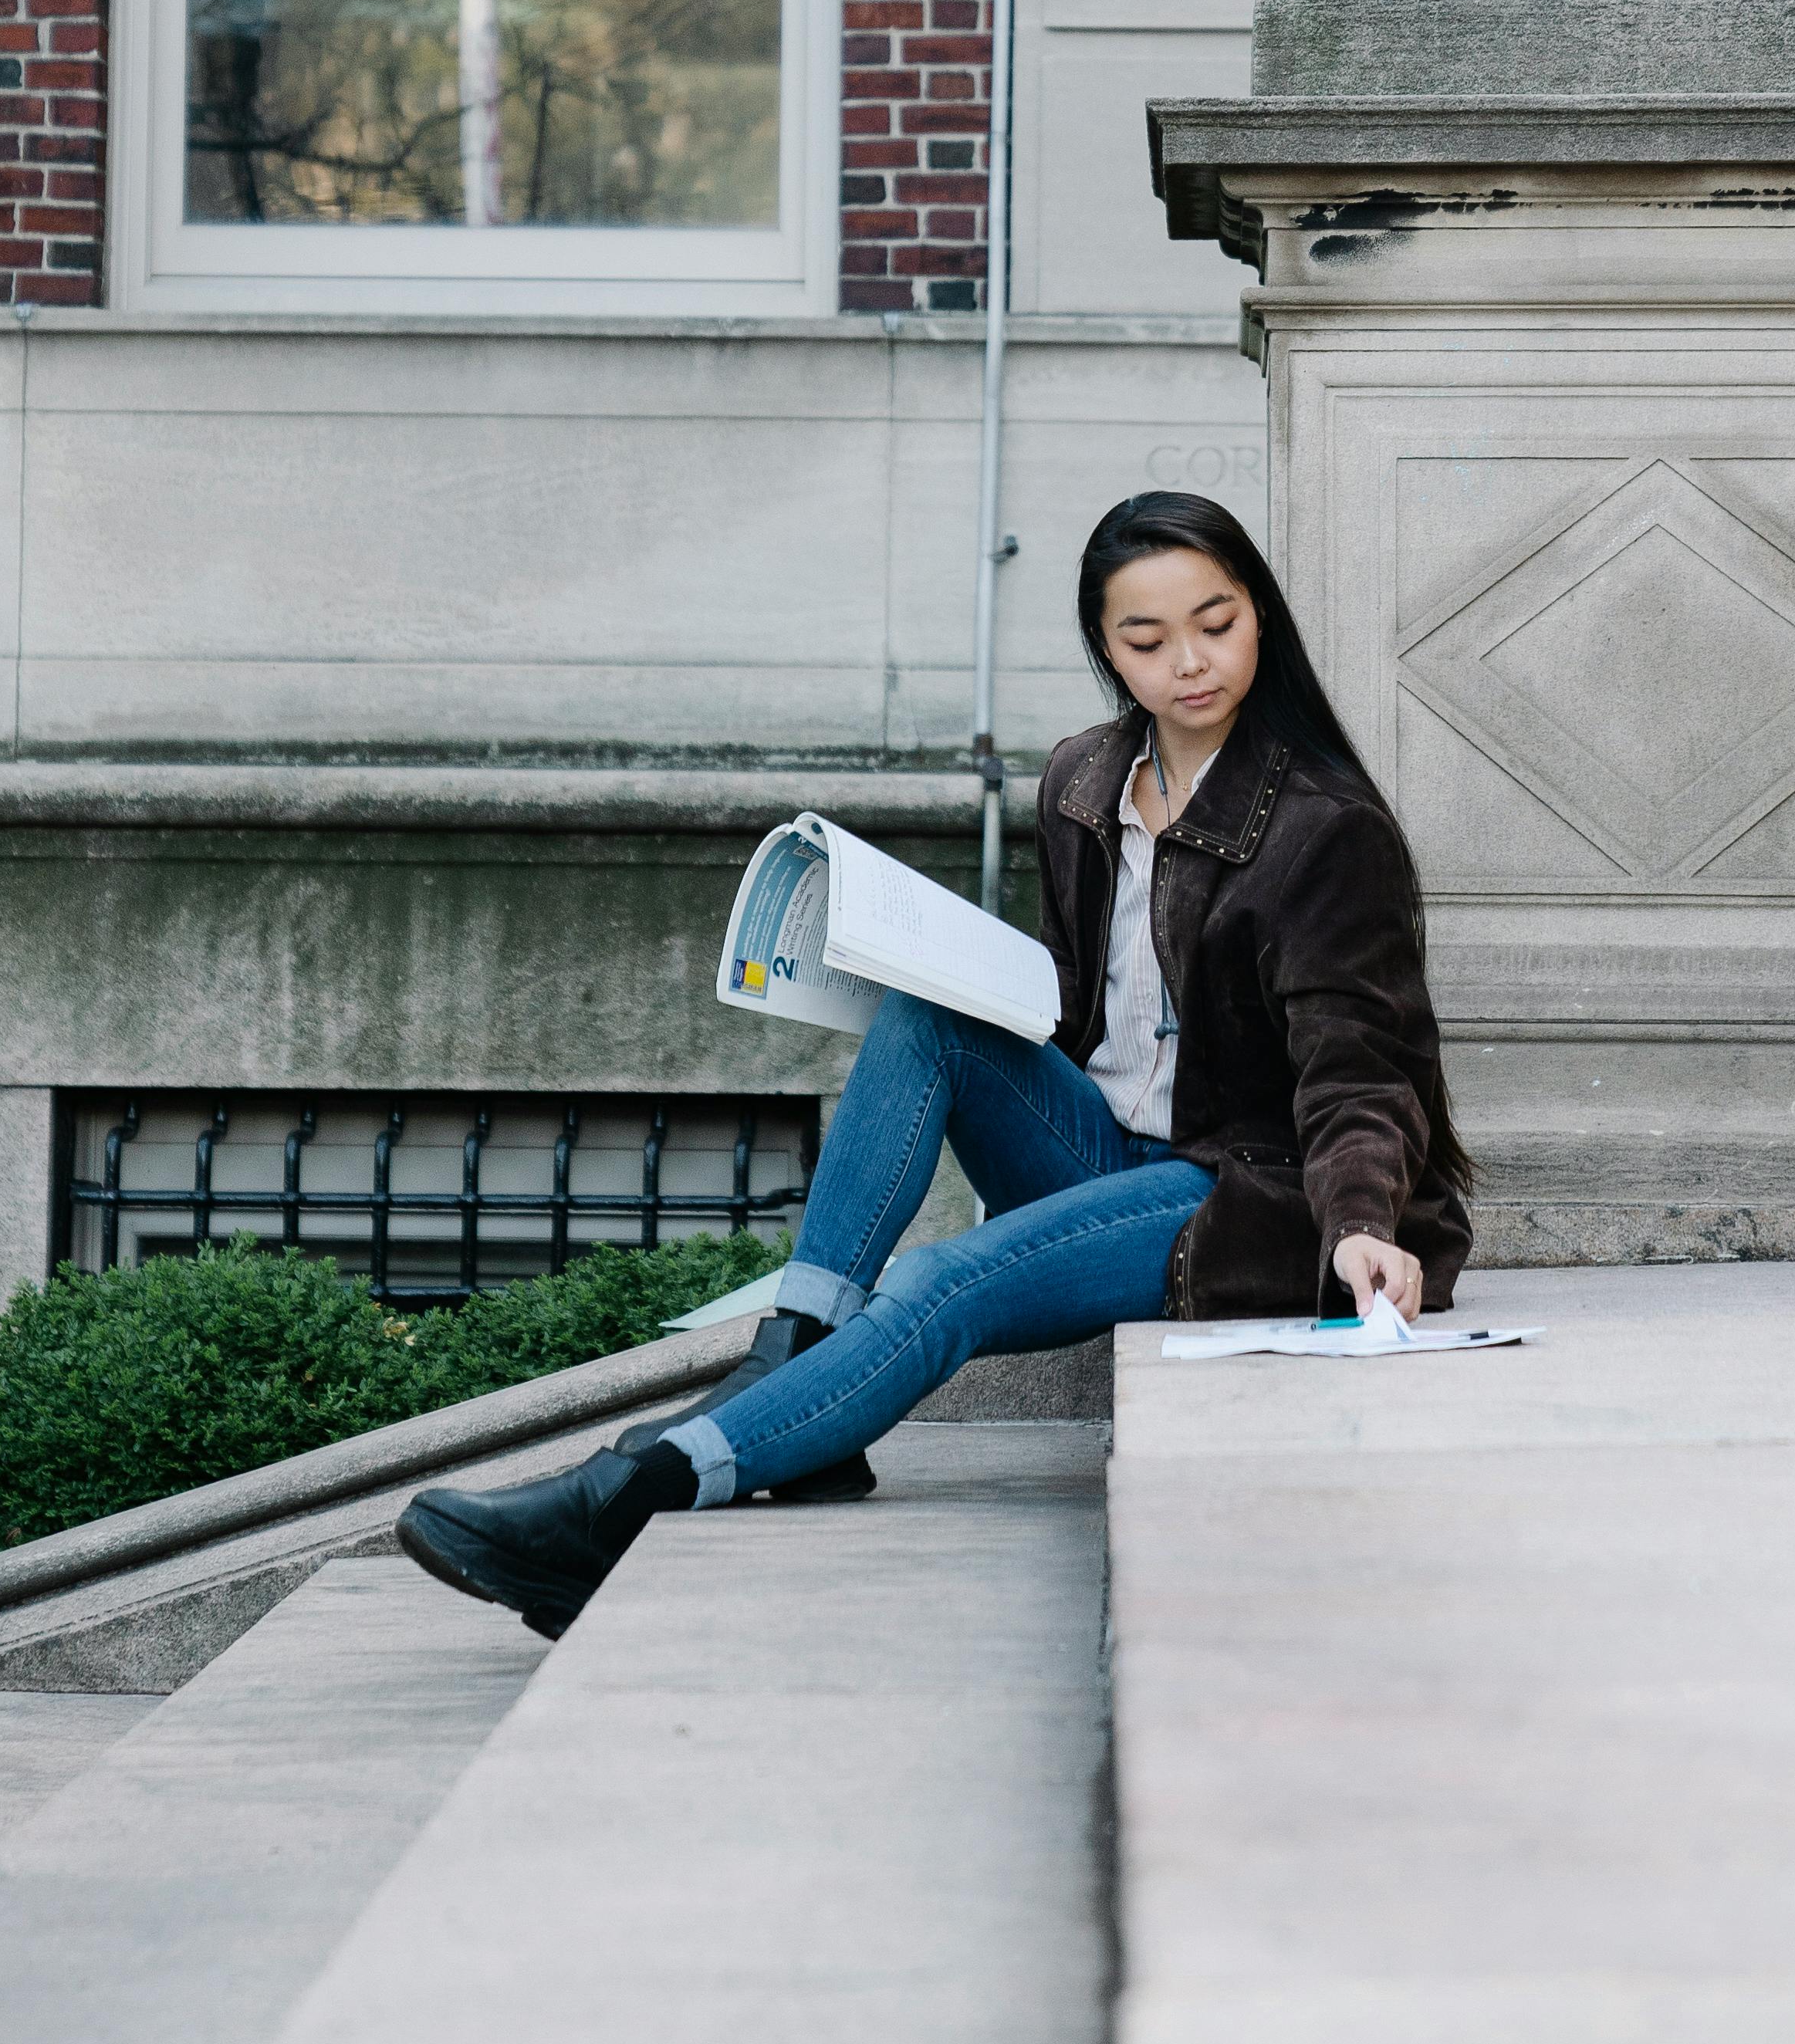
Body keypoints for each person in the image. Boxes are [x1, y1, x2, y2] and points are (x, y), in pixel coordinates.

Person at [398, 488, 1474, 1640]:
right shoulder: (1082, 783)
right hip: (1106, 1155)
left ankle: (631, 1494)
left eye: (1217, 623)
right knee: (924, 1023)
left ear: (1260, 615)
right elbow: (1081, 1009)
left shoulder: (1322, 826)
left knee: (934, 1284)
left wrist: (1363, 1219)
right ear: (1105, 647)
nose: (1191, 664)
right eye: (1146, 640)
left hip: (1247, 1194)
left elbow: (1358, 1067)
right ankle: (795, 1362)